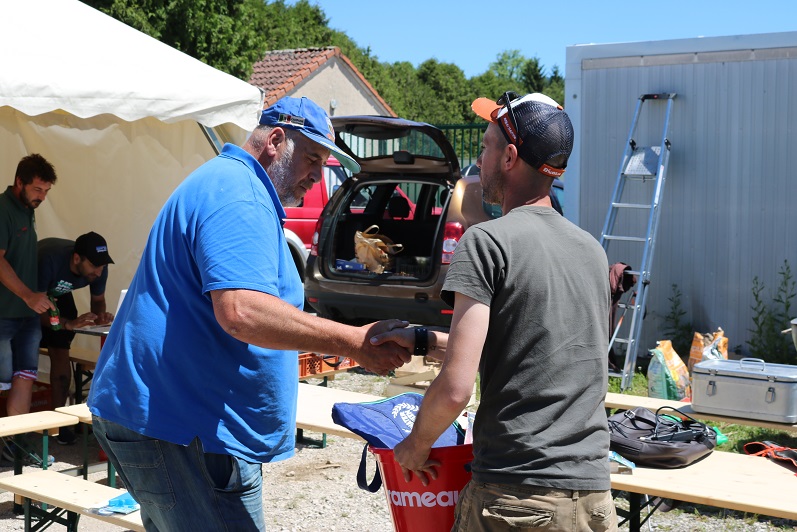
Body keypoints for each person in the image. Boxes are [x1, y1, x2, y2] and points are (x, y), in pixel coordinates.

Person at [88, 96, 411, 531]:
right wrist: (352, 341)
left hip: (174, 424)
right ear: (275, 140)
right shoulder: (241, 195)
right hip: (181, 428)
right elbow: (241, 311)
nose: (318, 175)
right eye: (312, 159)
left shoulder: (230, 183)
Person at [372, 93, 618, 531]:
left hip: (517, 498)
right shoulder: (591, 251)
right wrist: (423, 340)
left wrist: (416, 444)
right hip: (594, 501)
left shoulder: (486, 242)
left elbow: (455, 389)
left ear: (509, 157)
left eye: (485, 146)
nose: (479, 159)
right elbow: (539, 348)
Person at [0, 154, 58, 464]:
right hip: (4, 312)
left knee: (25, 377)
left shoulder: (27, 209)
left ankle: (15, 447)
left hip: (26, 314)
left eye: (46, 191)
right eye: (37, 189)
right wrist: (28, 296)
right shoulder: (3, 209)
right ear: (19, 182)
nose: (42, 197)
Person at [38, 232, 115, 445]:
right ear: (76, 258)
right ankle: (19, 429)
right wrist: (67, 324)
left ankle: (60, 424)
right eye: (94, 266)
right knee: (21, 355)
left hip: (57, 295)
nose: (99, 272)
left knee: (61, 352)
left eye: (102, 266)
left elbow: (98, 300)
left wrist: (100, 317)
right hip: (26, 294)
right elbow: (33, 307)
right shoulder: (48, 259)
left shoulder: (99, 268)